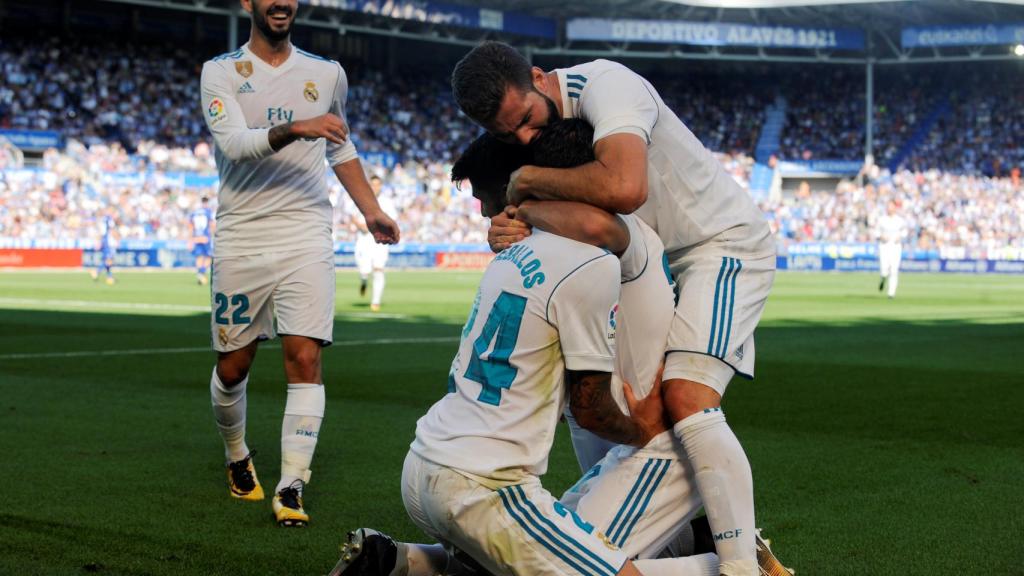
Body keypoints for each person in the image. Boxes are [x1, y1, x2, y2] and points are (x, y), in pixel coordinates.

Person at [328, 123, 789, 576]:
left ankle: (738, 564)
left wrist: (522, 208)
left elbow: (590, 405)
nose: (494, 210)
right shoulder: (573, 252)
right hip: (586, 455)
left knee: (569, 563)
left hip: (654, 449)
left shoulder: (559, 250)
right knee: (537, 556)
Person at [451, 42, 777, 576]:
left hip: (720, 245)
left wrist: (527, 183)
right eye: (510, 135)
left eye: (528, 120)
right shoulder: (537, 121)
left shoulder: (609, 85)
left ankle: (741, 565)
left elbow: (625, 188)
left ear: (539, 76)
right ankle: (686, 541)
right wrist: (514, 220)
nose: (525, 140)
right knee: (603, 397)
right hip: (648, 254)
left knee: (685, 398)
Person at [199, 0, 399, 527]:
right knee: (233, 365)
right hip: (242, 237)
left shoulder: (328, 74)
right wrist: (297, 126)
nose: (282, 2)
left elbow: (340, 145)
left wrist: (372, 209)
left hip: (307, 233)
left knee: (305, 357)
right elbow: (236, 145)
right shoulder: (219, 72)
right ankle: (237, 453)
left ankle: (292, 485)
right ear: (248, 3)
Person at [354, 175, 395, 312]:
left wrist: (377, 228)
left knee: (378, 269)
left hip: (380, 241)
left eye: (377, 184)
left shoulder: (387, 202)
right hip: (364, 240)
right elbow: (353, 217)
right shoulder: (361, 200)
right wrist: (361, 225)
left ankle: (375, 302)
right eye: (372, 184)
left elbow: (392, 219)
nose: (375, 187)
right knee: (364, 271)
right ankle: (364, 280)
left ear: (381, 186)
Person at [875, 201, 907, 299]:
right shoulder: (881, 220)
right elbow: (876, 232)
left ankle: (891, 293)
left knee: (894, 269)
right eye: (888, 206)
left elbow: (905, 231)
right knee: (884, 269)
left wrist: (900, 237)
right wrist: (881, 236)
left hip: (895, 246)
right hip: (884, 246)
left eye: (891, 206)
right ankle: (883, 279)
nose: (889, 208)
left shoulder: (900, 220)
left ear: (895, 208)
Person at [189, 196, 215, 286]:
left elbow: (191, 226)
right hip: (205, 238)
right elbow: (212, 225)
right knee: (208, 256)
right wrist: (212, 235)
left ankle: (200, 274)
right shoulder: (208, 212)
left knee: (199, 257)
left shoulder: (195, 212)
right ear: (207, 202)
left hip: (196, 237)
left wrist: (191, 239)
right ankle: (202, 272)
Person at [91, 208, 117, 285]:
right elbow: (111, 230)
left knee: (107, 260)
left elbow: (101, 231)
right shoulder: (109, 219)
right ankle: (97, 272)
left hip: (105, 241)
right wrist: (117, 239)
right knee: (109, 260)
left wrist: (99, 241)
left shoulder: (104, 219)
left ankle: (109, 276)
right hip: (108, 242)